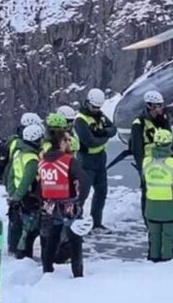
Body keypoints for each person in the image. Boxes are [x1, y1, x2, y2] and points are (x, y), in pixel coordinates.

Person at [39, 113, 89, 277]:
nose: (68, 143)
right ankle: (78, 274)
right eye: (66, 140)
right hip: (69, 204)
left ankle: (47, 270)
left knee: (52, 238)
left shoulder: (43, 161)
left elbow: (42, 185)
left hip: (51, 204)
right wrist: (80, 201)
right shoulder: (68, 160)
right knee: (75, 240)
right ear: (60, 142)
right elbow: (84, 181)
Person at [142, 129, 173, 262]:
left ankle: (153, 260)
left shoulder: (146, 162)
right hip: (170, 207)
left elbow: (144, 180)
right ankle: (167, 263)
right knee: (169, 238)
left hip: (151, 207)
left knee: (154, 237)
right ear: (170, 144)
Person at [73, 88, 116, 232]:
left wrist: (103, 133)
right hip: (86, 161)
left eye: (98, 107)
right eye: (94, 107)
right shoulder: (80, 120)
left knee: (101, 192)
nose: (97, 110)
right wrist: (105, 137)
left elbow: (113, 128)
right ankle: (76, 223)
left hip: (100, 159)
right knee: (82, 195)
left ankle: (96, 223)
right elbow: (90, 142)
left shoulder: (100, 116)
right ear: (88, 103)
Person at [5, 122, 44, 259]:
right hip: (28, 197)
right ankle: (24, 255)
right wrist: (19, 196)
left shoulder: (19, 153)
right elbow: (27, 180)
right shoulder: (32, 159)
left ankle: (15, 250)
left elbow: (10, 175)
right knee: (30, 229)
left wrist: (12, 194)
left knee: (18, 226)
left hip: (18, 195)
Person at [130, 90, 170, 222]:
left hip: (164, 161)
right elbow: (137, 148)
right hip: (147, 162)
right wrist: (141, 166)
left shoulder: (163, 119)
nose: (161, 108)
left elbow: (169, 138)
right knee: (148, 192)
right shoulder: (139, 124)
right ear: (150, 106)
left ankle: (164, 216)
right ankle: (148, 220)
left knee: (165, 190)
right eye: (159, 105)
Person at [0, 112, 41, 188]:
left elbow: (6, 163)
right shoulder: (23, 144)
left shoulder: (13, 140)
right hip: (23, 186)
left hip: (14, 183)